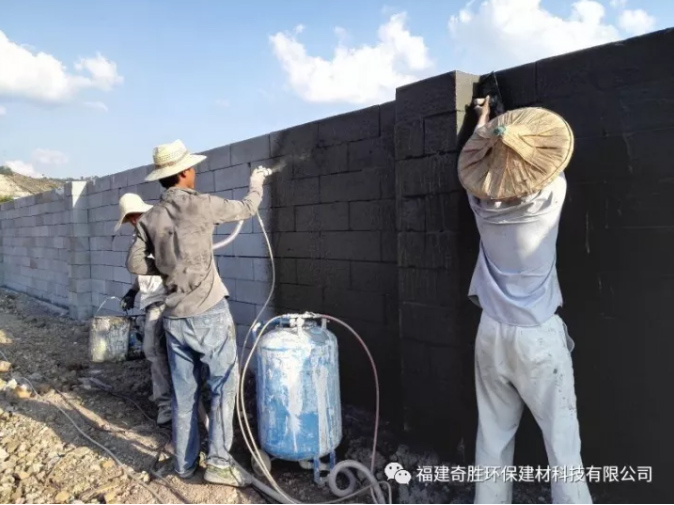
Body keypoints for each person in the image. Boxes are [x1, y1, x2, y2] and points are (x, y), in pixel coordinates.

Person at [458, 98, 592, 504]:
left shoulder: (480, 204)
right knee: (562, 445)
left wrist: (484, 121)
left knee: (492, 439)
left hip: (491, 332)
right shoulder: (551, 194)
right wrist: (511, 131)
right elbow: (548, 162)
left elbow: (476, 161)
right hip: (537, 336)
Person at [126, 139, 268, 487]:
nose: (194, 172)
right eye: (191, 168)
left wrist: (165, 269)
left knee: (184, 395)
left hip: (175, 318)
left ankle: (185, 464)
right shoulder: (202, 205)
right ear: (184, 173)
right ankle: (218, 463)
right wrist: (257, 183)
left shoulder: (150, 218)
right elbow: (247, 208)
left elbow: (134, 262)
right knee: (222, 387)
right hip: (209, 313)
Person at [116, 193, 172, 426]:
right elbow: (144, 271)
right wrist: (132, 292)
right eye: (129, 218)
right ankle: (169, 400)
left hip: (165, 300)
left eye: (134, 215)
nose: (132, 220)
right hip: (153, 301)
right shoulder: (140, 235)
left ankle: (167, 406)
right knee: (160, 351)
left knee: (153, 349)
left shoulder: (160, 231)